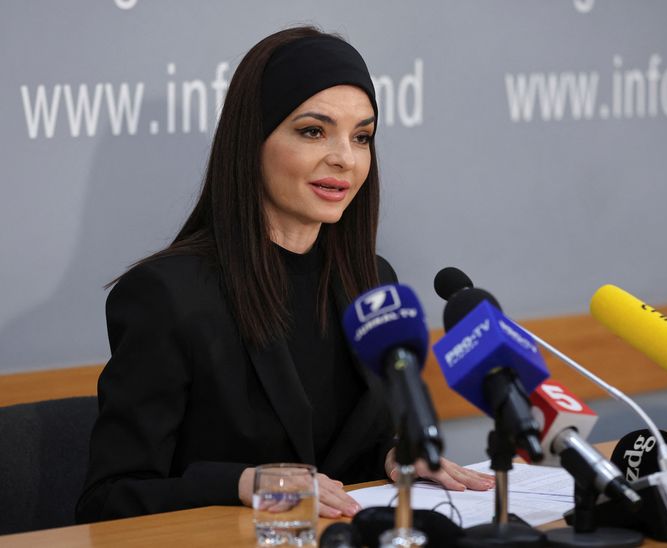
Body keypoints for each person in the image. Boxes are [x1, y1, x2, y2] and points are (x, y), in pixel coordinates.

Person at [76, 26, 493, 524]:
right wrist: (253, 486)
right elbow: (108, 502)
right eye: (313, 131)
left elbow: (348, 452)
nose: (345, 157)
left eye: (362, 136)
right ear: (253, 139)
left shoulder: (372, 283)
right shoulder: (168, 294)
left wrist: (396, 458)